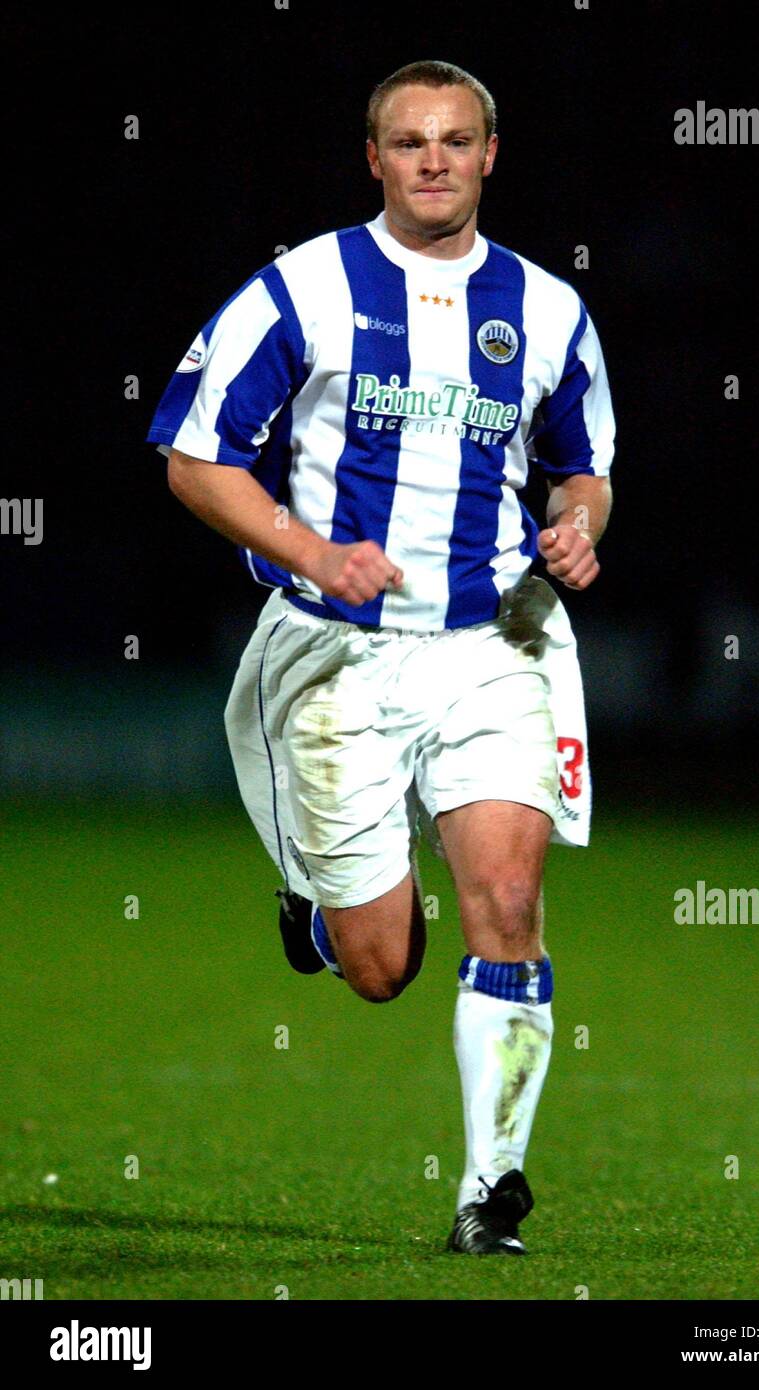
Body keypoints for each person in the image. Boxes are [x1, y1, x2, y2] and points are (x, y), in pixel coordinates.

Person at [146, 59, 615, 1255]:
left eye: (455, 141)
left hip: (491, 640)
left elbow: (583, 466)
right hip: (336, 655)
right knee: (377, 968)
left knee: (506, 901)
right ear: (374, 157)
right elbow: (195, 458)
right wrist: (311, 547)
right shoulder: (299, 288)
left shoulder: (549, 310)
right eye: (408, 143)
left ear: (489, 154)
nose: (433, 162)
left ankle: (487, 1190)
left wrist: (575, 525)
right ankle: (319, 896)